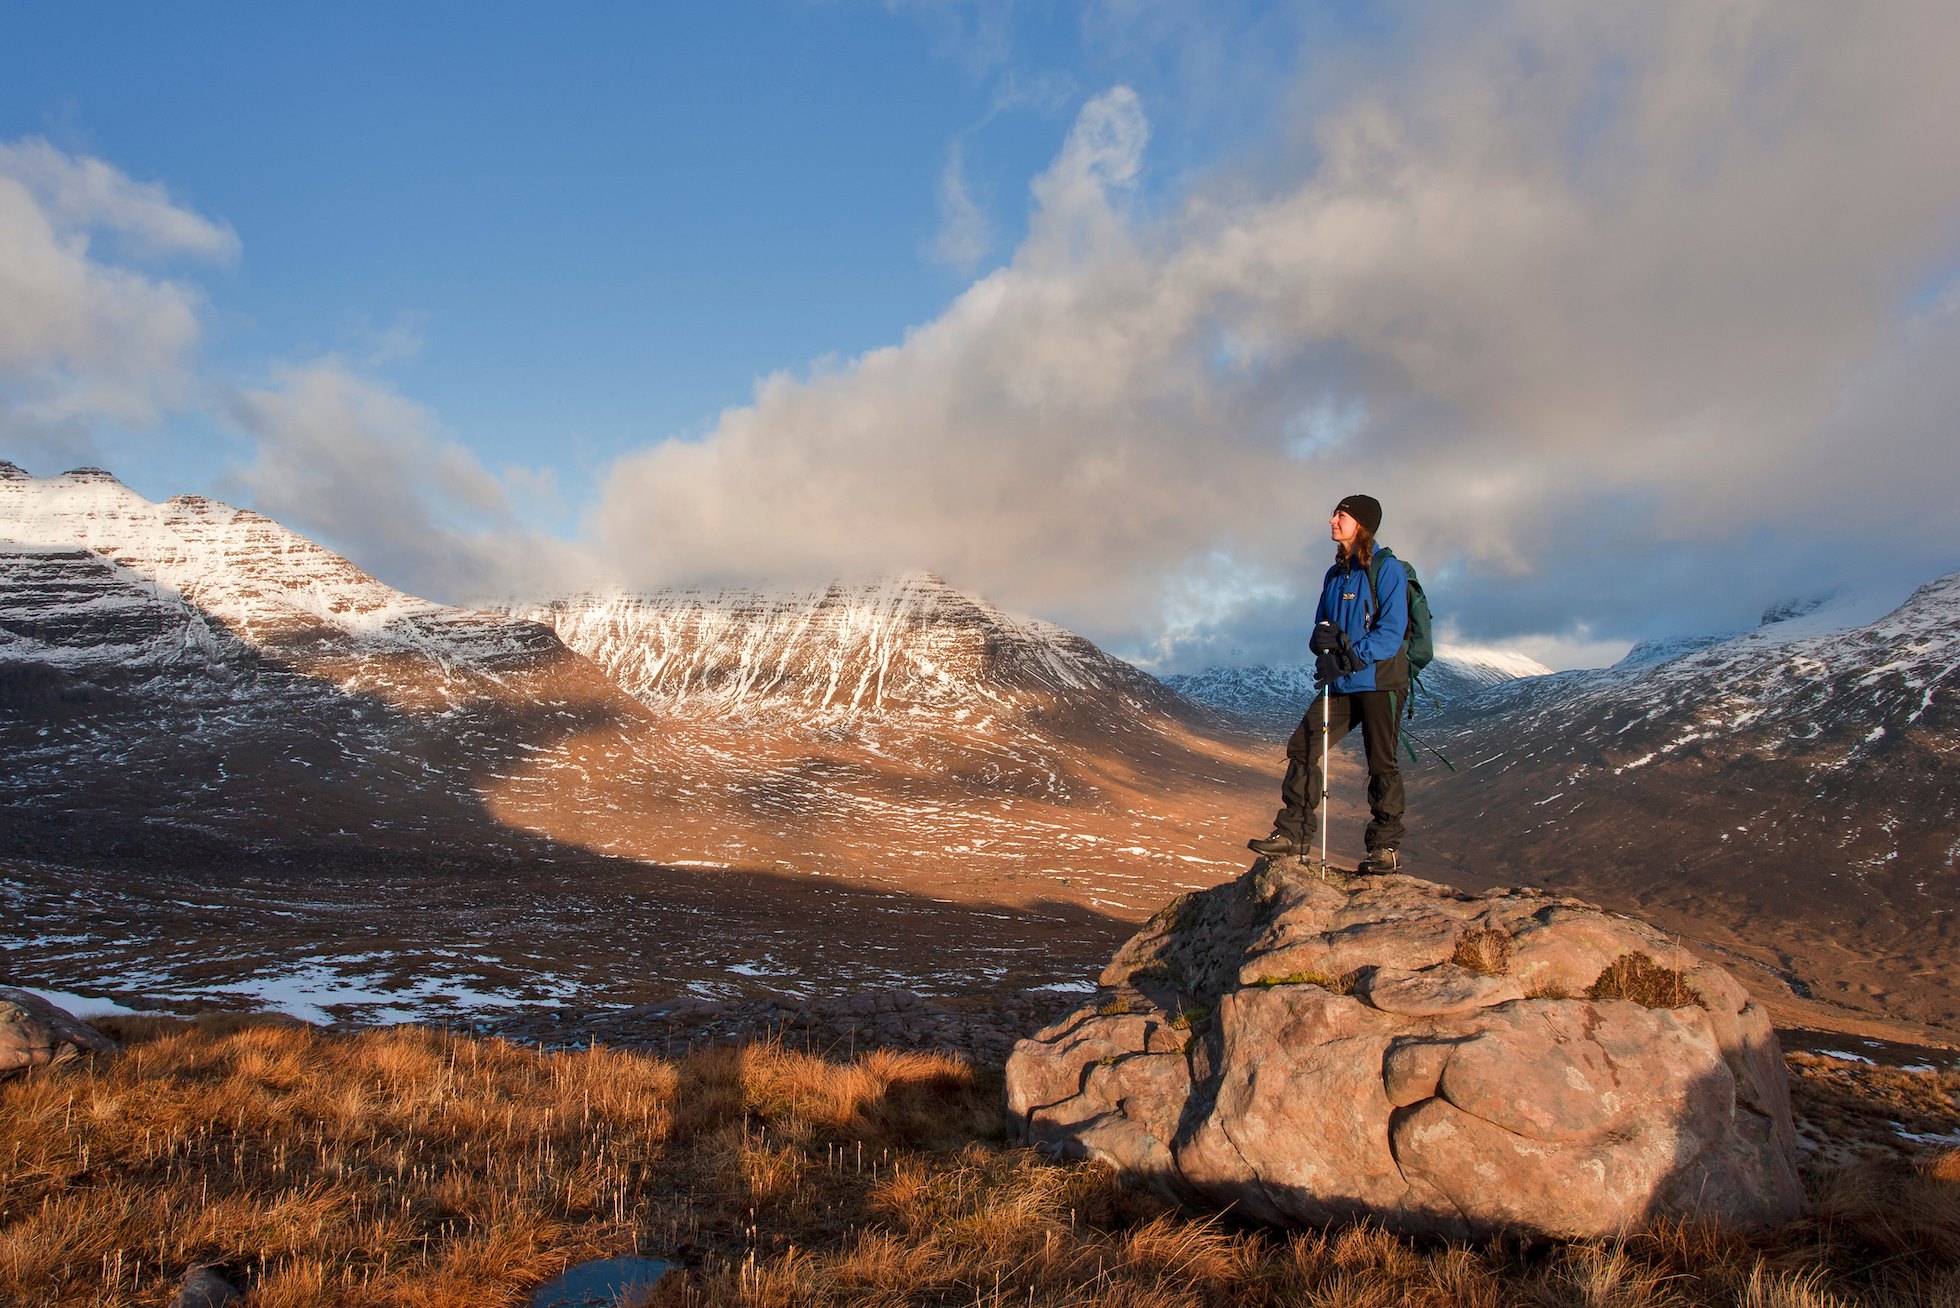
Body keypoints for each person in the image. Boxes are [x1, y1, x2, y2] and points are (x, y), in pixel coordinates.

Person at [1249, 493, 1409, 873]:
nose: (1332, 520)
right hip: (1341, 681)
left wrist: (1348, 658)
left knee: (1381, 762)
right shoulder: (1335, 574)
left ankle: (1384, 849)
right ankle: (1293, 834)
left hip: (1379, 681)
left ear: (1361, 524)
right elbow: (1321, 626)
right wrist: (1321, 643)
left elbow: (1391, 632)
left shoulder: (1388, 569)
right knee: (1303, 745)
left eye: (1341, 515)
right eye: (1335, 513)